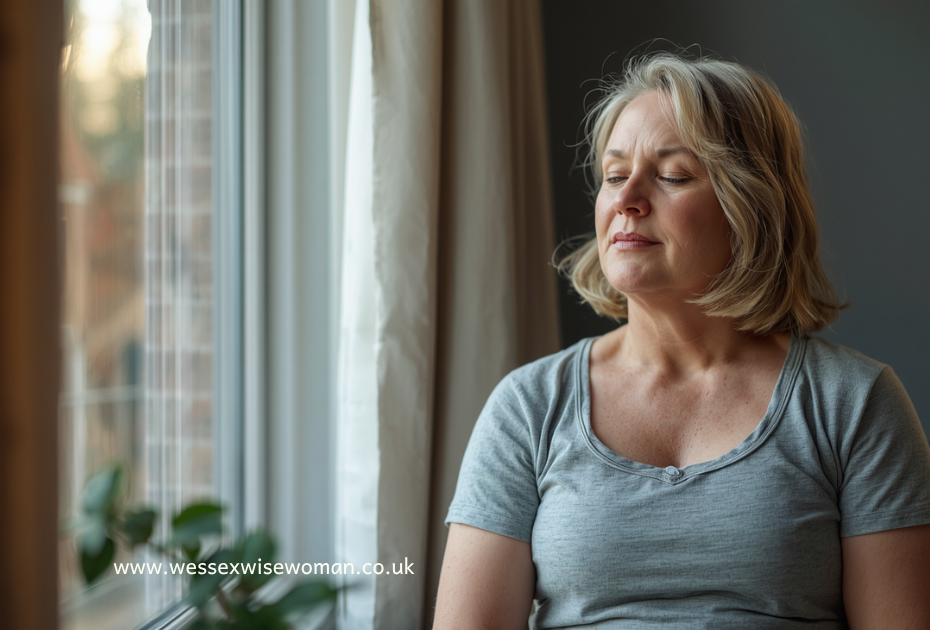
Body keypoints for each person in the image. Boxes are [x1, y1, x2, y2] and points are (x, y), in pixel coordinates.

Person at [433, 53, 930, 629]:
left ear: (752, 206)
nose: (626, 199)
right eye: (615, 175)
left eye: (671, 175)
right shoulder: (527, 406)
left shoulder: (855, 403)